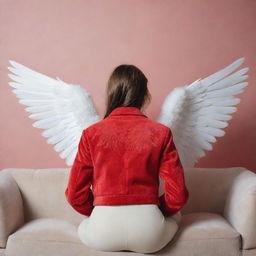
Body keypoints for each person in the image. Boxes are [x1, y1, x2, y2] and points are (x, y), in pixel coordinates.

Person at [65, 64, 189, 253]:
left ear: (112, 93)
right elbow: (178, 195)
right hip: (149, 233)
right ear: (144, 95)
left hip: (102, 231)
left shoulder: (91, 134)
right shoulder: (161, 133)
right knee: (177, 217)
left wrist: (100, 210)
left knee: (85, 225)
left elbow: (75, 195)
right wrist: (157, 209)